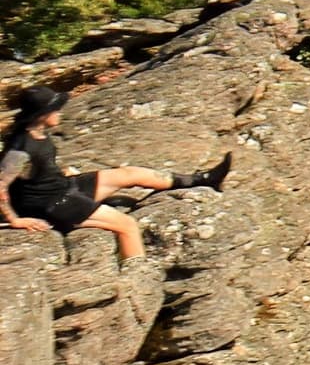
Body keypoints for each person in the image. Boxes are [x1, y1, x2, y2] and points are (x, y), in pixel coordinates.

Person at [1, 84, 231, 264]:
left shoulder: (37, 134)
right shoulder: (20, 148)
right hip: (53, 205)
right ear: (43, 114)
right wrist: (15, 220)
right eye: (56, 109)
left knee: (128, 174)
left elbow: (34, 171)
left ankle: (202, 180)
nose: (60, 113)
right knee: (127, 225)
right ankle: (139, 281)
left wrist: (59, 172)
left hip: (62, 187)